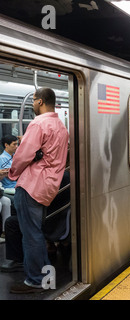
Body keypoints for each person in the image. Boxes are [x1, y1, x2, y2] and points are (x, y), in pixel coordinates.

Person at [8, 87, 69, 294]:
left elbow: (23, 155)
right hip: (49, 187)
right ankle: (46, 278)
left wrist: (12, 173)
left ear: (40, 102)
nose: (33, 104)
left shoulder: (39, 123)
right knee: (37, 233)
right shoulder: (61, 127)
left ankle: (35, 280)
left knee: (30, 235)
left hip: (31, 185)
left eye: (34, 100)